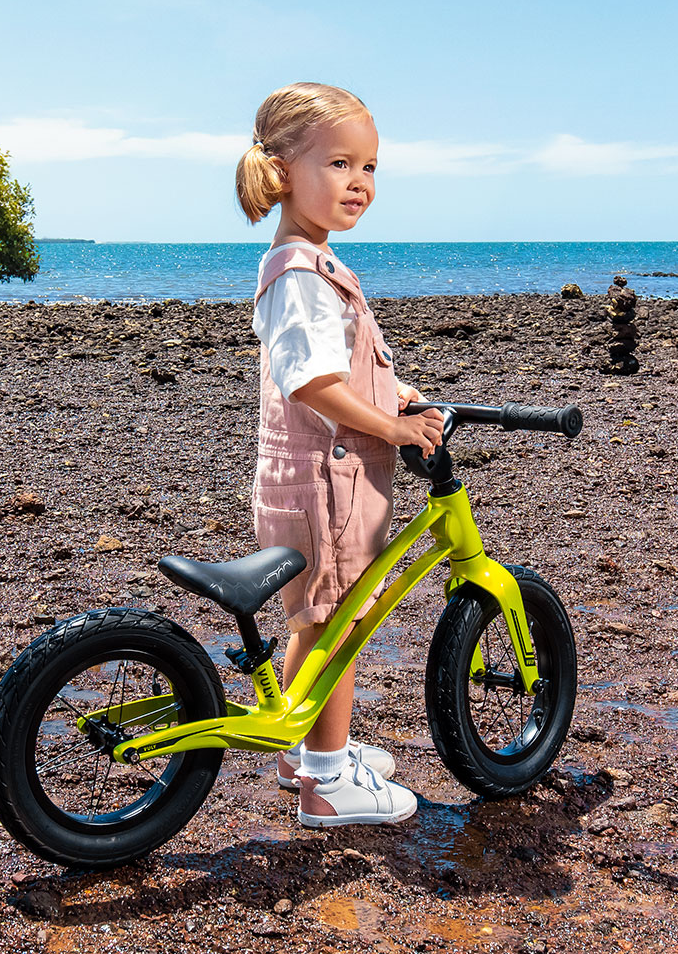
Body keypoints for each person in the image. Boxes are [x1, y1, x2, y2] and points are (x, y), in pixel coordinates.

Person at [236, 82, 444, 826]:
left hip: (328, 479)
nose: (360, 183)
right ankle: (326, 784)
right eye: (340, 164)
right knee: (340, 621)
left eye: (371, 167)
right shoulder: (300, 273)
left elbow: (352, 367)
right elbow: (313, 381)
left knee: (316, 619)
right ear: (284, 170)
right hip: (330, 482)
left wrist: (401, 400)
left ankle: (303, 746)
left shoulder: (312, 262)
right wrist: (391, 431)